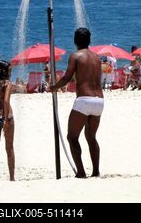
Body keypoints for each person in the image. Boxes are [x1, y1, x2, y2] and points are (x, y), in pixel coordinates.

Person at [50, 28, 103, 178]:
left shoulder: (75, 56)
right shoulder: (97, 58)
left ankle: (80, 172)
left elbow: (67, 77)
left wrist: (54, 87)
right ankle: (96, 171)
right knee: (91, 137)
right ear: (89, 40)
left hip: (84, 99)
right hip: (99, 100)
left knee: (72, 137)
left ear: (75, 40)